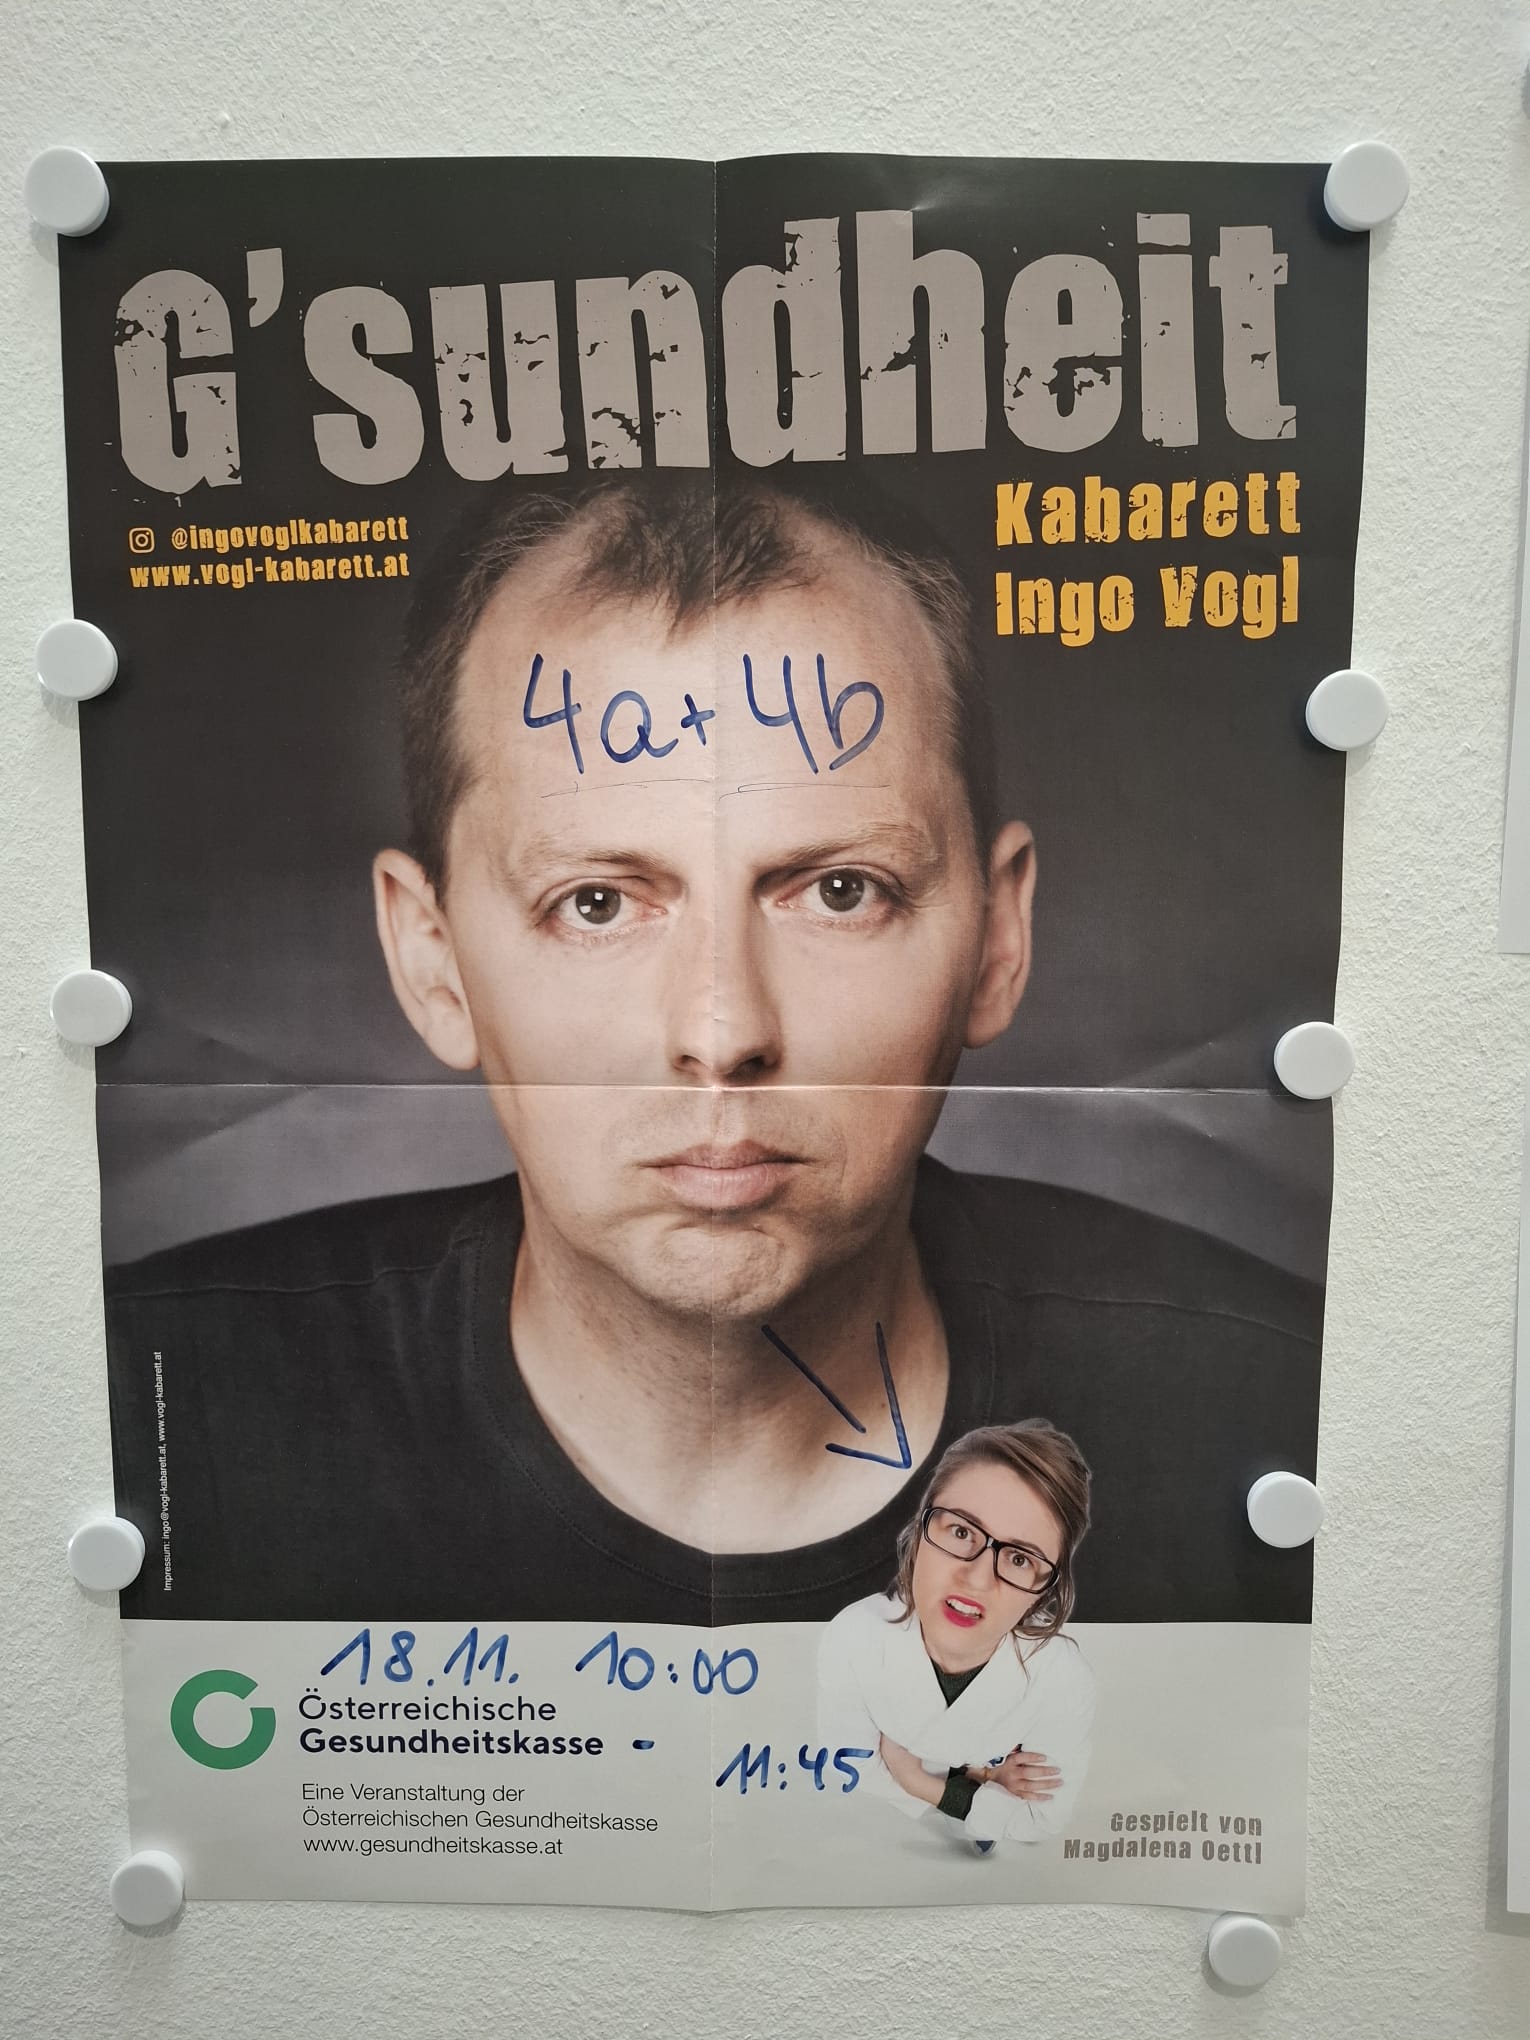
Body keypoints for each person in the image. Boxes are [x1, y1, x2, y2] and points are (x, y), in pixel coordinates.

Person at [105, 477, 1321, 1626]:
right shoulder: (143, 1407)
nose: (723, 1033)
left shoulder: (1282, 1406)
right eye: (595, 904)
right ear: (433, 959)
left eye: (841, 891)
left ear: (999, 938)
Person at [818, 1421, 1094, 1851]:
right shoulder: (853, 1636)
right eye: (962, 1532)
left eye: (1019, 1559)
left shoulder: (1062, 1678)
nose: (977, 1579)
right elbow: (849, 1773)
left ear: (1044, 1590)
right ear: (919, 1532)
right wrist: (983, 1780)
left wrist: (918, 1778)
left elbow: (1040, 1821)